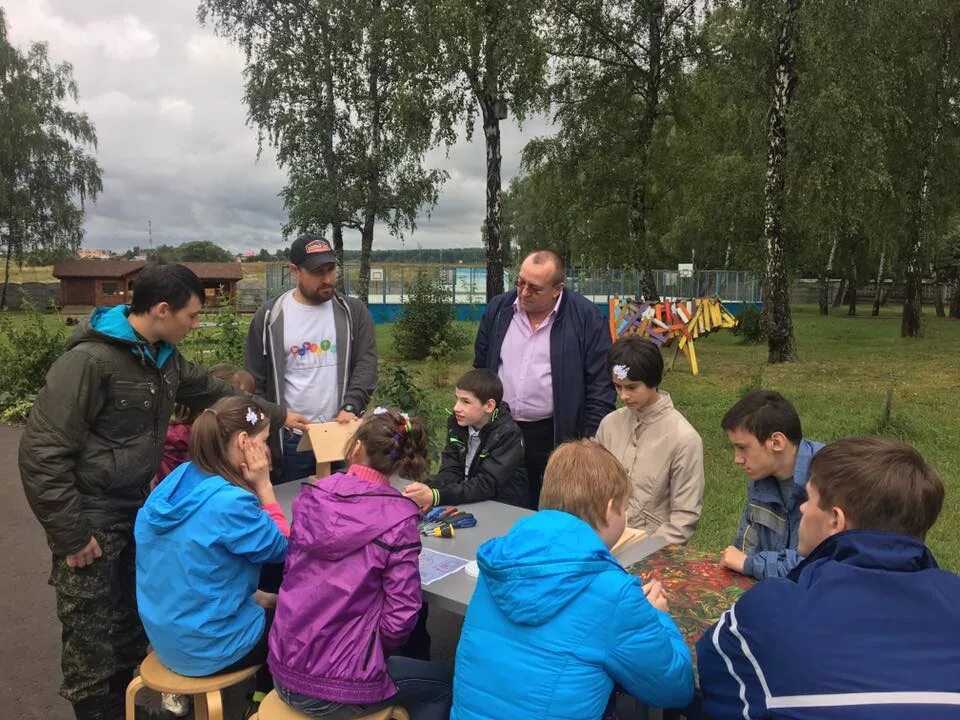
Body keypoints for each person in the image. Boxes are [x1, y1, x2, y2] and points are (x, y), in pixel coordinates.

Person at [18, 263, 307, 720]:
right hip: (89, 517)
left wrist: (278, 414)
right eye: (192, 316)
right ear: (161, 309)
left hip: (135, 507)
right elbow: (41, 453)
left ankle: (132, 708)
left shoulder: (162, 357)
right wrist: (69, 533)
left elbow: (213, 390)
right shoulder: (88, 363)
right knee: (88, 639)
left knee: (130, 625)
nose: (196, 325)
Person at [697, 436, 960, 719]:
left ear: (836, 520)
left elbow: (716, 690)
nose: (802, 509)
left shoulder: (769, 612)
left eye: (808, 499)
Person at [451, 439, 694, 720]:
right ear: (610, 509)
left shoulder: (500, 560)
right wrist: (658, 617)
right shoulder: (614, 593)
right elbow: (674, 688)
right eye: (625, 507)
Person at [268, 408, 452, 720]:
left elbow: (292, 575)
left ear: (355, 447)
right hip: (343, 689)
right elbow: (402, 615)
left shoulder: (312, 496)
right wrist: (368, 650)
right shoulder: (399, 517)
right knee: (445, 682)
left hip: (282, 669)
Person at [135, 397, 289, 702]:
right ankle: (266, 700)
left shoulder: (178, 478)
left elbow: (197, 559)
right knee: (302, 620)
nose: (268, 450)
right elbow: (283, 548)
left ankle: (259, 693)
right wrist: (264, 488)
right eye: (265, 440)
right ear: (245, 442)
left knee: (270, 595)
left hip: (167, 639)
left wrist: (255, 597)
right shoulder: (231, 502)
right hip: (210, 648)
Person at [474, 249, 615, 507]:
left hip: (556, 433)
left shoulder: (586, 318)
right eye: (520, 282)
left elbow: (601, 387)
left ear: (557, 289)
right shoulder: (499, 310)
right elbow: (481, 369)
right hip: (501, 429)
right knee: (502, 505)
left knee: (553, 507)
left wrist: (587, 439)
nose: (524, 292)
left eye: (534, 288)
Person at [246, 234, 378, 484]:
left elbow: (366, 364)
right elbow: (256, 381)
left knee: (345, 511)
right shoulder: (269, 317)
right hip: (293, 440)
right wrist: (267, 426)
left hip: (343, 434)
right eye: (318, 272)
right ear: (295, 270)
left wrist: (351, 405)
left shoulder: (353, 313)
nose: (328, 279)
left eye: (331, 270)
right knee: (295, 511)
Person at [595, 336, 704, 544]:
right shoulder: (609, 425)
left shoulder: (684, 438)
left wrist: (642, 551)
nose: (623, 396)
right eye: (618, 387)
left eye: (632, 387)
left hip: (654, 553)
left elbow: (684, 519)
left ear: (653, 380)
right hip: (603, 546)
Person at [718, 389, 824, 579]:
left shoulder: (831, 482)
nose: (737, 459)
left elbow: (817, 568)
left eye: (742, 448)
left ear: (776, 442)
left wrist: (750, 564)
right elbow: (742, 553)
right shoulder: (761, 481)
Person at [402, 368, 527, 509]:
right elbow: (452, 469)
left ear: (489, 406)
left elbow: (487, 485)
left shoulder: (508, 434)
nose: (456, 407)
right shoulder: (456, 423)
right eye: (457, 399)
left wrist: (437, 496)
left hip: (502, 506)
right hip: (468, 498)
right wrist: (427, 489)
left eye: (465, 401)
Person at [155, 363, 255, 485]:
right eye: (238, 407)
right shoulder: (176, 441)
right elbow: (171, 487)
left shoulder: (239, 438)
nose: (245, 413)